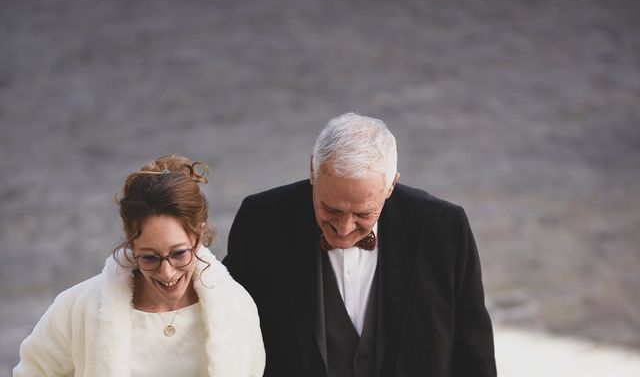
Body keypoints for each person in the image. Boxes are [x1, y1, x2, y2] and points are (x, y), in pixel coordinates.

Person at [223, 113, 496, 377]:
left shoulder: (444, 228)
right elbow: (227, 328)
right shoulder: (260, 221)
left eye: (362, 214)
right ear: (312, 171)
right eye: (330, 208)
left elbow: (473, 345)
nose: (343, 228)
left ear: (390, 186)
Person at [14, 154, 265, 377]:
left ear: (198, 237)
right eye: (149, 257)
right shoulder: (78, 308)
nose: (166, 272)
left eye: (178, 254)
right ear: (131, 244)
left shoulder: (236, 308)